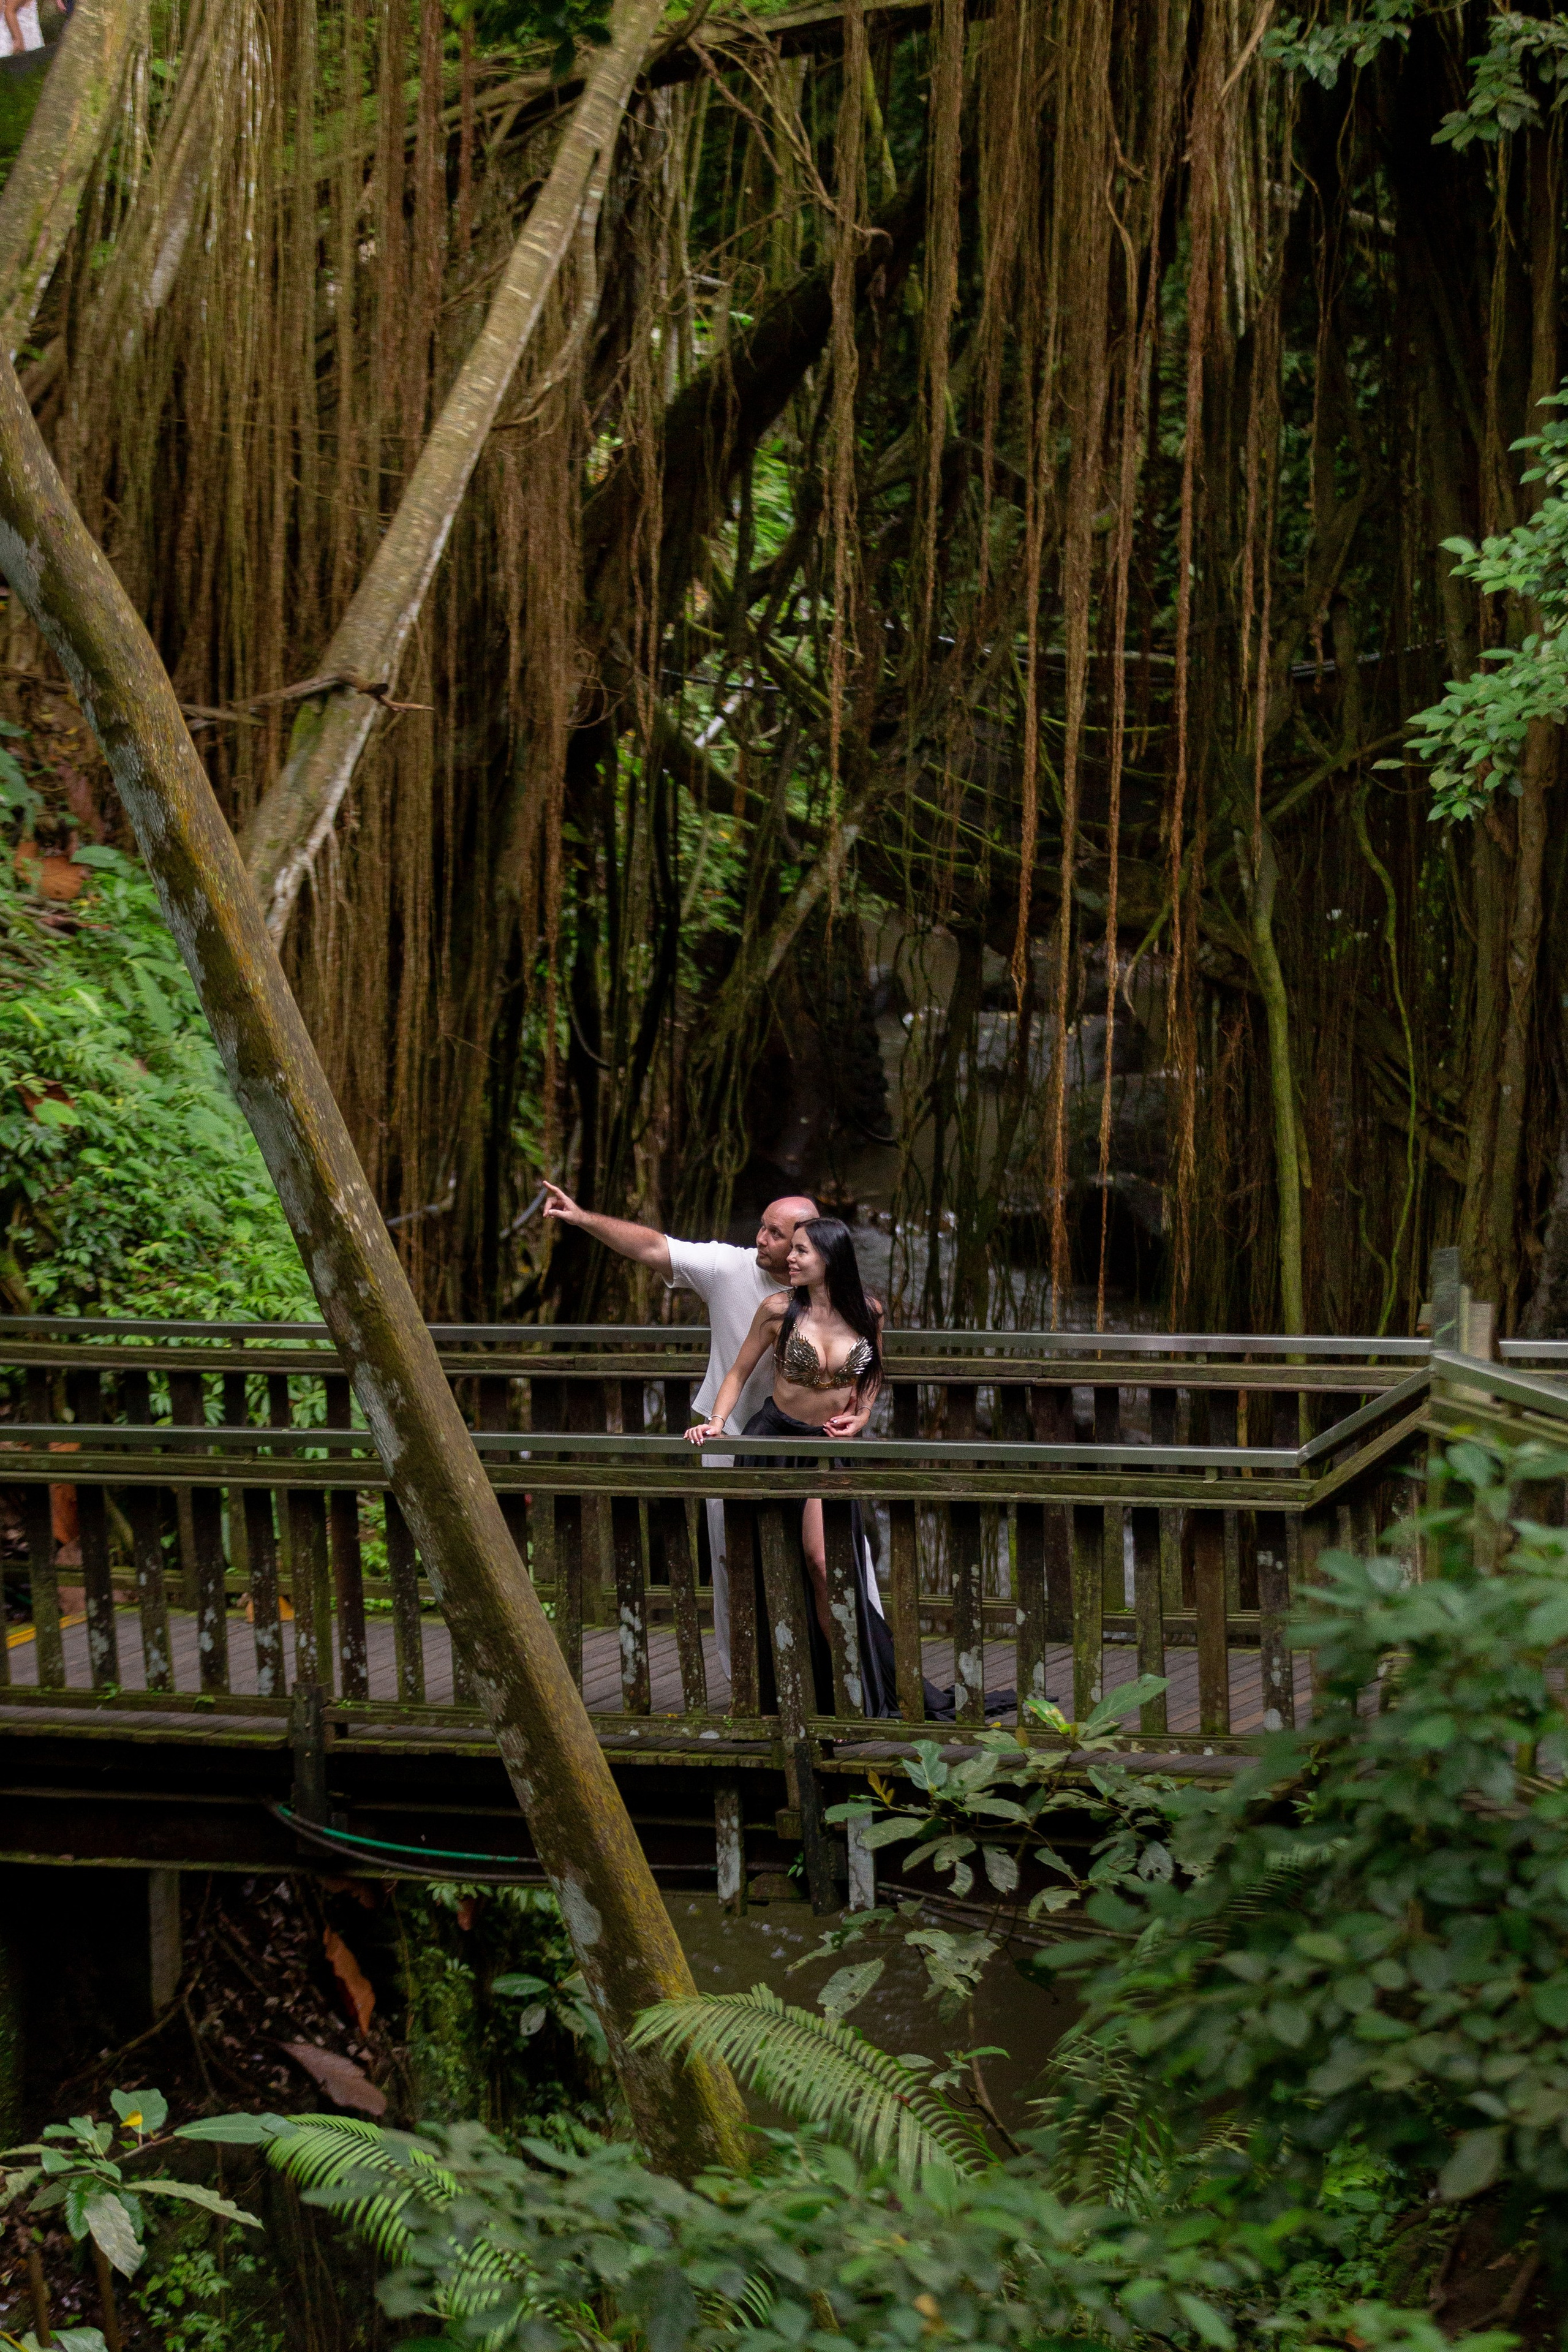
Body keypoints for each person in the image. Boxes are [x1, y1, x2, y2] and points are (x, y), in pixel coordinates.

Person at [539, 1180, 819, 1678]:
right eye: (762, 1227)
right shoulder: (730, 1269)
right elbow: (652, 1246)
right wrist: (583, 1219)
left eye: (774, 1234)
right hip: (730, 1436)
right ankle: (746, 1684)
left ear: (807, 1244)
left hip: (808, 1445)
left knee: (830, 1559)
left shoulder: (830, 1295)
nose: (759, 1239)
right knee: (733, 1561)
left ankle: (856, 1678)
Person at [687, 1215, 899, 1717]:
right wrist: (716, 1422)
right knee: (768, 1570)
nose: (792, 1259)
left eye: (802, 1251)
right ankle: (789, 1696)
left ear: (830, 1257)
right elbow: (738, 1372)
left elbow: (872, 1374)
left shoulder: (869, 1312)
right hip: (775, 1442)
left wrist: (863, 1415)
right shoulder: (777, 1310)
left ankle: (849, 1697)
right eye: (792, 1250)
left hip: (827, 1448)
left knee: (824, 1563)